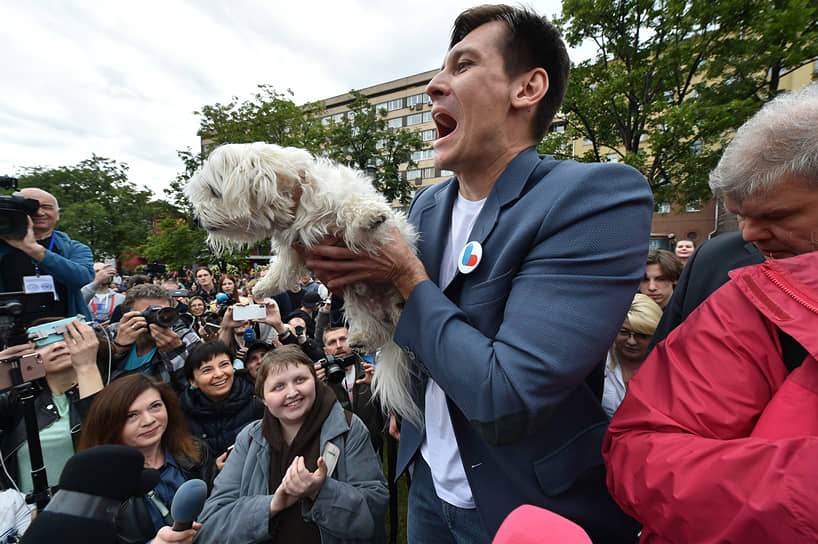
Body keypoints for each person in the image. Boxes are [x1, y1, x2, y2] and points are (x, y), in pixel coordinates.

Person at [303, 5, 651, 542]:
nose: (435, 86)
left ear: (527, 88)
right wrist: (358, 282)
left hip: (527, 506)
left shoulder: (595, 196)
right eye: (439, 71)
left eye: (462, 66)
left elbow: (507, 395)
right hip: (428, 488)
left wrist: (404, 276)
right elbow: (417, 333)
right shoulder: (425, 206)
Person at [603, 81, 818, 543]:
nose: (749, 235)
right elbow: (639, 445)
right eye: (739, 214)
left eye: (776, 217)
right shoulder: (722, 264)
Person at [195, 345, 388, 544]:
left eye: (300, 380)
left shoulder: (348, 427)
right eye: (278, 386)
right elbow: (212, 524)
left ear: (315, 380)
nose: (292, 392)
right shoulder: (250, 438)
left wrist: (319, 492)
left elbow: (373, 511)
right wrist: (273, 504)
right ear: (263, 398)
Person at [79, 374, 216, 543]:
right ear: (109, 424)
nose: (149, 420)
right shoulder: (98, 484)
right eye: (132, 415)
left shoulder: (196, 452)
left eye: (155, 406)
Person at [0, 319, 103, 495]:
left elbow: (103, 439)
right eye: (42, 342)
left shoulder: (112, 386)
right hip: (30, 515)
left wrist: (87, 367)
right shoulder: (16, 402)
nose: (57, 346)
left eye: (66, 337)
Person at [0, 188, 94, 320]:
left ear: (57, 214)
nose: (39, 212)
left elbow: (82, 278)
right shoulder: (3, 246)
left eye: (46, 207)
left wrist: (35, 251)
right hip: (9, 331)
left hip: (63, 330)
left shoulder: (73, 248)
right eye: (31, 207)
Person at [179, 341, 263, 466]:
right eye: (207, 370)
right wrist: (212, 470)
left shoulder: (257, 401)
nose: (219, 374)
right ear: (193, 381)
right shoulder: (183, 415)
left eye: (224, 365)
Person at [107, 284, 201, 393]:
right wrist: (117, 348)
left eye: (162, 313)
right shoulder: (113, 333)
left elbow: (195, 390)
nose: (156, 320)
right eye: (148, 314)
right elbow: (99, 378)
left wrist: (175, 352)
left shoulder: (186, 339)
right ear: (129, 315)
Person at [322, 326, 383, 455]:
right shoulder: (321, 382)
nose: (339, 345)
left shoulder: (370, 371)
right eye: (332, 342)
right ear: (325, 350)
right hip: (338, 450)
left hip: (372, 445)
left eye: (343, 339)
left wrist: (380, 385)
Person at [601, 294, 663, 419]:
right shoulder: (598, 362)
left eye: (641, 335)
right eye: (624, 333)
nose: (631, 341)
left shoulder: (664, 366)